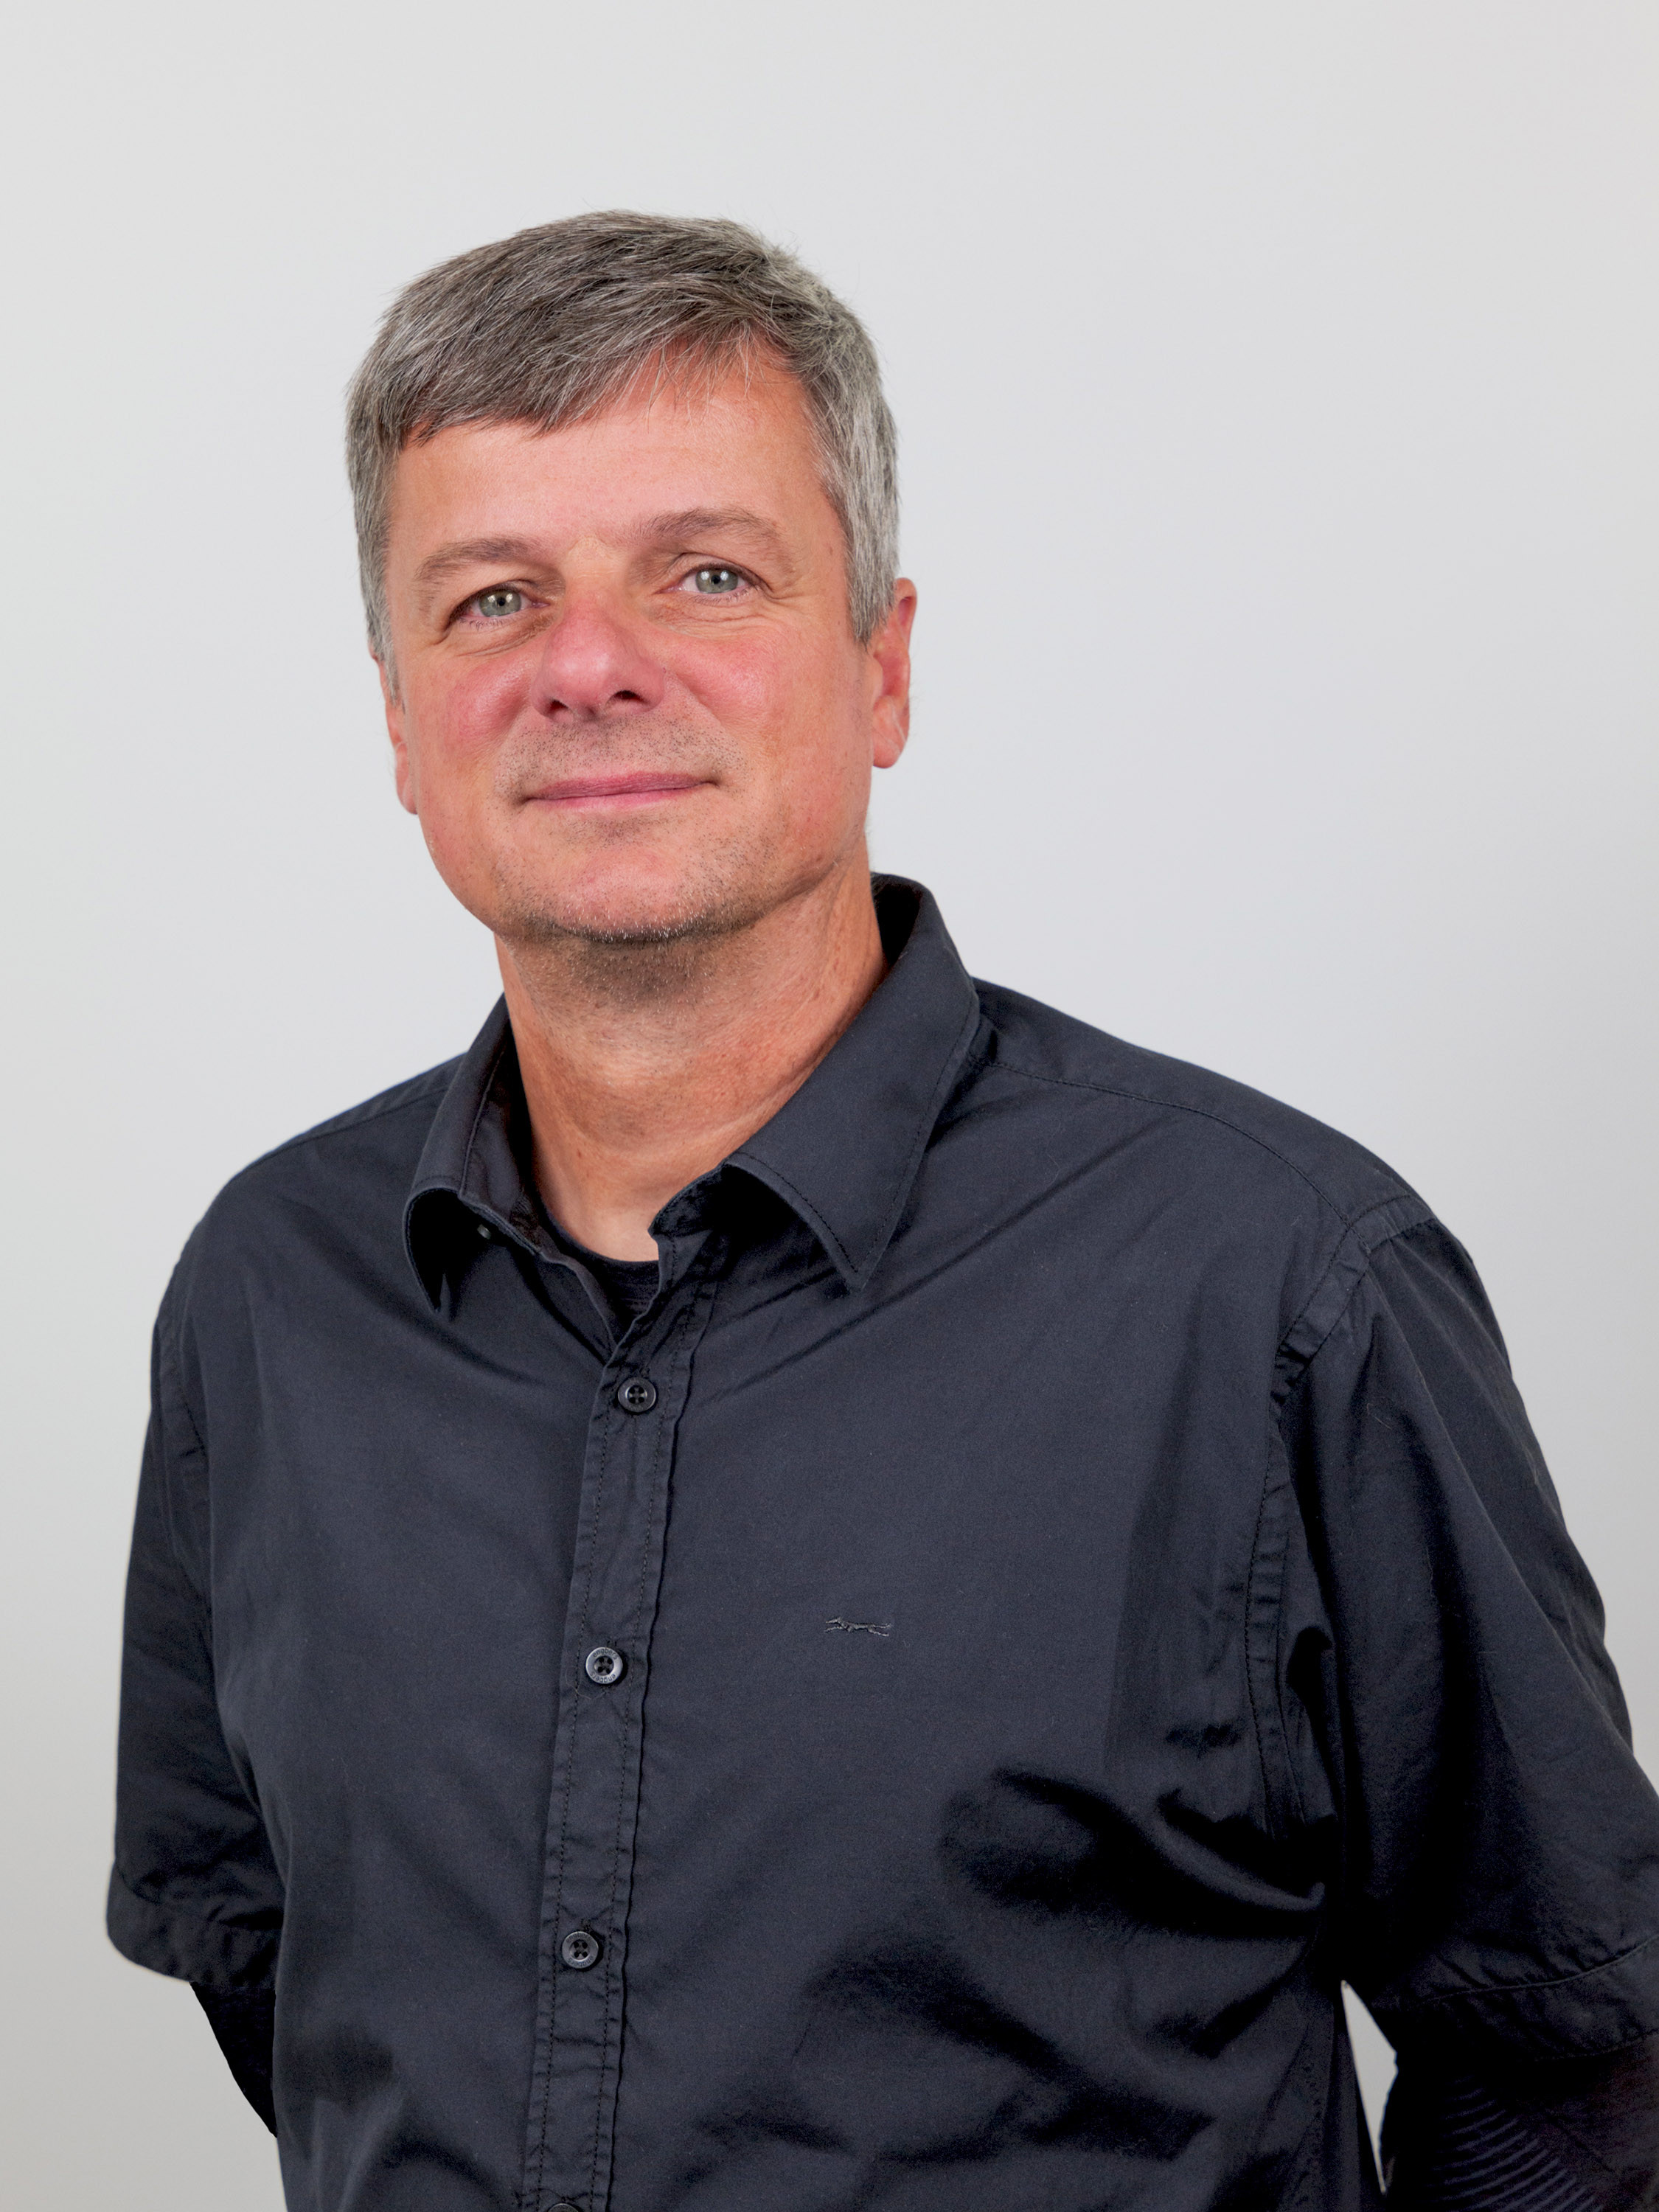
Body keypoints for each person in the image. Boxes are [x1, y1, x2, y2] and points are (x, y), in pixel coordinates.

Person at [109, 213, 1659, 2212]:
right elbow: (280, 1973)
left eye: (708, 573)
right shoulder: (270, 1293)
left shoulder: (1275, 1286)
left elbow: (1568, 2058)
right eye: (493, 598)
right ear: (402, 720)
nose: (589, 667)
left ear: (882, 666)